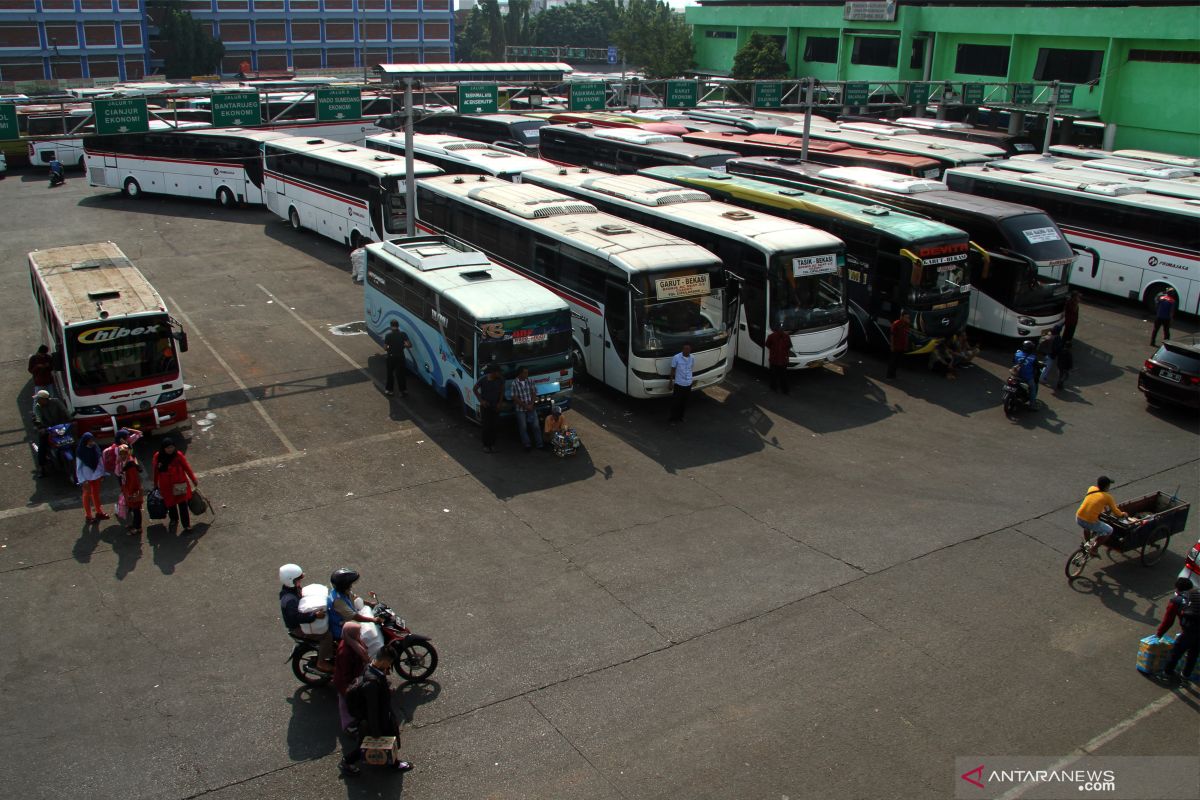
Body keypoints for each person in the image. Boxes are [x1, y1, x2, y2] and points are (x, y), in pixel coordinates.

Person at [339, 644, 414, 776]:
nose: (389, 667)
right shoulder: (372, 684)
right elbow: (372, 710)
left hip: (378, 717)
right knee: (376, 742)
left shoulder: (370, 667)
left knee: (368, 743)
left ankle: (391, 762)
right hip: (378, 719)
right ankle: (348, 761)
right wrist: (376, 731)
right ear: (385, 661)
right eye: (389, 663)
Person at [278, 564, 334, 673]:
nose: (300, 582)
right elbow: (297, 618)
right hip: (298, 628)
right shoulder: (289, 600)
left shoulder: (292, 589)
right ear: (291, 580)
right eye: (298, 579)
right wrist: (315, 615)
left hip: (303, 621)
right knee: (327, 636)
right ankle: (321, 662)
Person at [152, 437, 198, 532]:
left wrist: (193, 479)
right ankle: (174, 519)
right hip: (166, 486)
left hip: (179, 485)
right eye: (168, 448)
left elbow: (186, 467)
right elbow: (156, 471)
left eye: (172, 447)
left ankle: (186, 525)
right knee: (171, 504)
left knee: (183, 505)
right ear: (163, 448)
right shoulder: (158, 456)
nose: (170, 450)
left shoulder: (178, 455)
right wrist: (155, 483)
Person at [327, 568, 383, 644]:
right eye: (349, 583)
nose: (351, 585)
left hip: (348, 620)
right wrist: (373, 620)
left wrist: (369, 603)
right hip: (341, 629)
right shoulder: (338, 601)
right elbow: (355, 617)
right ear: (344, 585)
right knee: (363, 646)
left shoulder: (345, 591)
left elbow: (354, 597)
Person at [332, 621, 370, 732]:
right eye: (358, 632)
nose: (360, 634)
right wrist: (352, 686)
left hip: (356, 678)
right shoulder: (345, 652)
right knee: (346, 704)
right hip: (346, 682)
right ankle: (349, 726)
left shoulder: (354, 642)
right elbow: (346, 674)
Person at [1159, 578, 1200, 682]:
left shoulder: (1177, 600)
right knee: (1193, 653)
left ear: (1177, 589)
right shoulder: (1196, 594)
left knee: (1176, 652)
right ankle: (1186, 675)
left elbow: (1168, 621)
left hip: (1191, 630)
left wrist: (1159, 634)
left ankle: (1167, 674)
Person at [1075, 476, 1129, 555]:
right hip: (1089, 521)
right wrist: (1123, 514)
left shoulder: (1091, 489)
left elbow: (1096, 501)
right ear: (1107, 486)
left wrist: (1103, 508)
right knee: (1109, 530)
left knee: (1086, 527)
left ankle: (1088, 543)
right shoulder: (1107, 497)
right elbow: (1116, 512)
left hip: (1078, 517)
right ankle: (1093, 549)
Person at [31, 389, 70, 478]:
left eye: (39, 399)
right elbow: (38, 418)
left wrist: (70, 419)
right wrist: (40, 427)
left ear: (45, 399)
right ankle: (42, 467)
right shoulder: (38, 407)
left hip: (60, 427)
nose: (37, 401)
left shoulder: (56, 402)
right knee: (42, 446)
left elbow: (64, 411)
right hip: (47, 429)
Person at [75, 432, 107, 524]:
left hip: (96, 475)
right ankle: (88, 516)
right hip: (86, 478)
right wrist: (82, 480)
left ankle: (99, 512)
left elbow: (100, 461)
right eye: (89, 441)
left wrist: (102, 474)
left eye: (92, 440)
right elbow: (78, 467)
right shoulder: (81, 452)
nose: (91, 442)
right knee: (86, 495)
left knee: (96, 494)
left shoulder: (95, 448)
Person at [510, 366, 543, 451]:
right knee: (523, 427)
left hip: (531, 408)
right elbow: (514, 397)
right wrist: (525, 406)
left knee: (536, 426)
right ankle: (527, 444)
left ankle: (540, 444)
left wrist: (531, 405)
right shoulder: (514, 383)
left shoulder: (530, 381)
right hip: (520, 409)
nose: (527, 374)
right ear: (520, 373)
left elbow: (534, 393)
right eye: (525, 373)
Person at [473, 364, 504, 453]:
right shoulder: (483, 380)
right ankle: (486, 445)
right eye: (498, 372)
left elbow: (502, 391)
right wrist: (481, 401)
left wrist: (500, 403)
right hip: (486, 406)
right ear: (493, 372)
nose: (500, 373)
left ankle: (493, 444)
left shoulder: (500, 380)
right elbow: (475, 389)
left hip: (495, 406)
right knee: (486, 426)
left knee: (494, 426)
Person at [118, 445, 145, 536]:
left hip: (133, 491)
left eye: (124, 453)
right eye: (121, 454)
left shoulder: (130, 465)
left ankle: (138, 528)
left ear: (128, 453)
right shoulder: (127, 462)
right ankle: (135, 525)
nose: (122, 456)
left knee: (136, 510)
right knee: (134, 509)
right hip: (129, 490)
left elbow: (134, 480)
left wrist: (131, 492)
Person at [382, 320, 413, 397]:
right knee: (401, 374)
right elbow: (409, 345)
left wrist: (390, 347)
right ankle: (403, 391)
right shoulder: (403, 334)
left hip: (391, 357)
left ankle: (390, 390)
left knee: (390, 374)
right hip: (400, 356)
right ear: (398, 326)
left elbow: (385, 348)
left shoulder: (388, 336)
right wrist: (402, 345)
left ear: (391, 326)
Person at [668, 343, 695, 423]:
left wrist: (691, 380)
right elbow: (673, 370)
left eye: (688, 349)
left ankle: (681, 417)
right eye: (685, 349)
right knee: (676, 402)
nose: (687, 351)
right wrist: (671, 382)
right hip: (679, 383)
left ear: (690, 350)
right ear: (682, 349)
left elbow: (691, 368)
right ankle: (672, 419)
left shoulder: (693, 358)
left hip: (688, 383)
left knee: (685, 402)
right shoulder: (676, 357)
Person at [765, 325, 792, 394]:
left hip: (774, 360)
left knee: (774, 375)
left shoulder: (771, 336)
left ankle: (774, 388)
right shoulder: (787, 337)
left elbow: (767, 345)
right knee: (783, 376)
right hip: (783, 360)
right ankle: (785, 390)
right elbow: (789, 346)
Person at [1013, 339, 1040, 405]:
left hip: (1016, 375)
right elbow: (1037, 366)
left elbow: (1013, 361)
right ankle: (1032, 405)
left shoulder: (1017, 354)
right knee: (1033, 389)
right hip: (1027, 377)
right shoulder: (1033, 358)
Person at [886, 313, 910, 379]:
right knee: (893, 361)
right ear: (901, 317)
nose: (907, 319)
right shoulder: (896, 323)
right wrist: (892, 345)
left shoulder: (906, 325)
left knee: (897, 362)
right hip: (896, 346)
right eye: (906, 317)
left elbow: (906, 335)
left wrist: (906, 345)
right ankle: (889, 375)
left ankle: (893, 374)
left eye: (908, 318)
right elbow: (892, 335)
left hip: (902, 346)